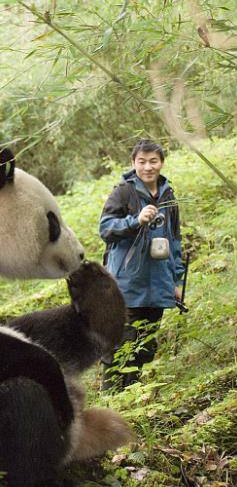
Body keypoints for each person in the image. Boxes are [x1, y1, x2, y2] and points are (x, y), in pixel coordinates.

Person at [99, 139, 184, 390]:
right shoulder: (123, 192)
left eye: (153, 161)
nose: (148, 167)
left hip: (157, 285)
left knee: (144, 348)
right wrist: (135, 221)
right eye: (142, 161)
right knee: (118, 348)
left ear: (162, 163)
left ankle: (132, 400)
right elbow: (105, 229)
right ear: (133, 163)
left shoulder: (169, 195)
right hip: (126, 285)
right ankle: (112, 403)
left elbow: (175, 241)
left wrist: (176, 280)